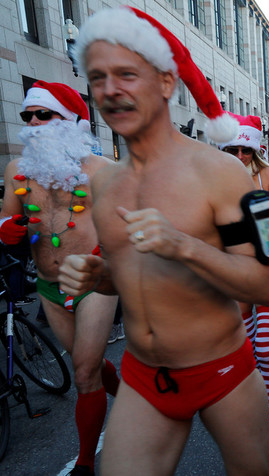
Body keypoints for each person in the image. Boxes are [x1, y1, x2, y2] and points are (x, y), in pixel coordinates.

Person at [61, 7, 269, 474]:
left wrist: (184, 245)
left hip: (223, 372)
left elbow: (268, 286)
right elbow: (128, 279)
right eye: (97, 78)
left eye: (126, 74)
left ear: (165, 82)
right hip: (145, 380)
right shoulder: (104, 184)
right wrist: (99, 275)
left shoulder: (224, 172)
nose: (110, 90)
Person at [0, 80, 120, 475]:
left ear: (70, 121)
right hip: (48, 287)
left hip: (94, 283)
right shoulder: (17, 171)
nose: (33, 122)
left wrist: (106, 257)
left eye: (43, 114)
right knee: (91, 364)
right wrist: (5, 229)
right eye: (28, 116)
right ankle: (124, 391)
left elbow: (126, 226)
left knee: (83, 372)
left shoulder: (101, 171)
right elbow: (6, 216)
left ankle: (84, 463)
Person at [218, 114, 269, 456]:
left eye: (245, 150)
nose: (239, 156)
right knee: (246, 351)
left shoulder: (268, 175)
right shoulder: (212, 177)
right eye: (232, 149)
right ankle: (253, 404)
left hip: (264, 270)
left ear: (254, 150)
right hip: (233, 275)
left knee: (264, 348)